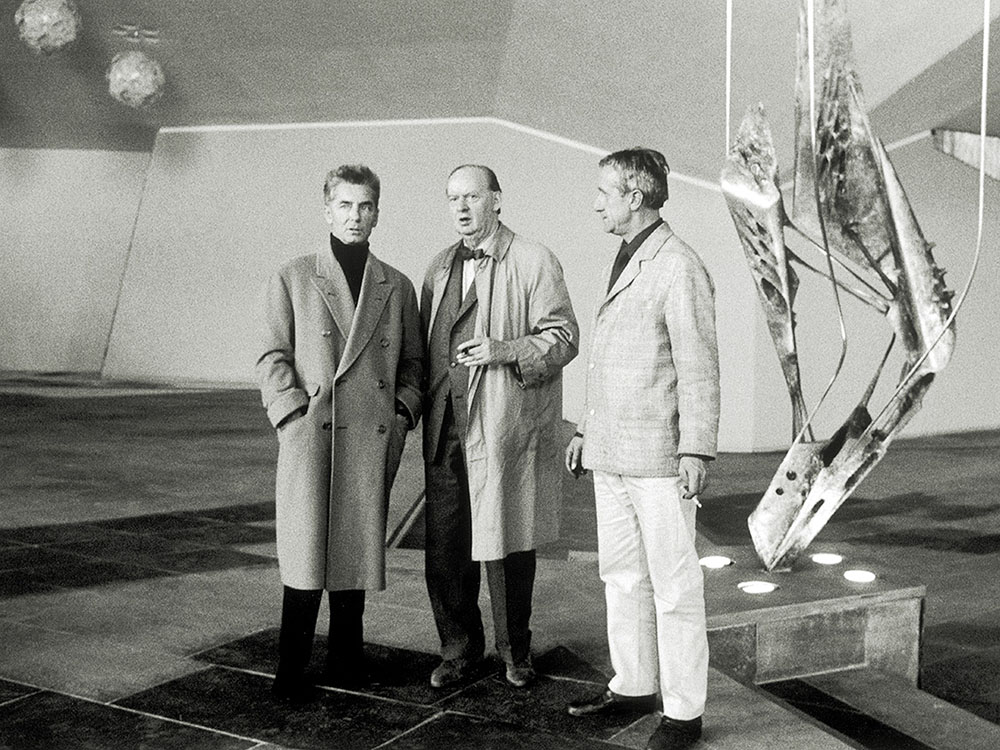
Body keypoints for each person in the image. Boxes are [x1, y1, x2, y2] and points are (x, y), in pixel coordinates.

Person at [564, 148, 720, 750]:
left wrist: (696, 451)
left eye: (604, 191)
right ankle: (633, 683)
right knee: (622, 576)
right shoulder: (628, 255)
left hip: (660, 456)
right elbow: (614, 360)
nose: (596, 201)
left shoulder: (678, 265)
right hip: (612, 451)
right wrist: (584, 430)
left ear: (635, 196)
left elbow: (698, 365)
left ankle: (684, 712)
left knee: (675, 585)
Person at [256, 164, 423, 701]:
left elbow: (414, 365)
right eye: (345, 206)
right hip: (313, 435)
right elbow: (272, 355)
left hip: (368, 440)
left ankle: (347, 662)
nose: (356, 216)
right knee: (305, 553)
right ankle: (291, 667)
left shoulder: (395, 285)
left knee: (355, 552)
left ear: (378, 212)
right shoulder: (295, 275)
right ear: (327, 209)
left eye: (366, 206)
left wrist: (401, 414)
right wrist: (291, 416)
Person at [421, 164, 578, 689]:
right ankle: (460, 650)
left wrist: (505, 350)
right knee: (446, 548)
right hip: (446, 429)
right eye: (453, 198)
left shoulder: (534, 260)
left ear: (497, 200)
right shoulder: (439, 268)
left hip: (503, 428)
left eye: (472, 196)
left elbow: (564, 337)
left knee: (508, 544)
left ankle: (516, 652)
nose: (462, 207)